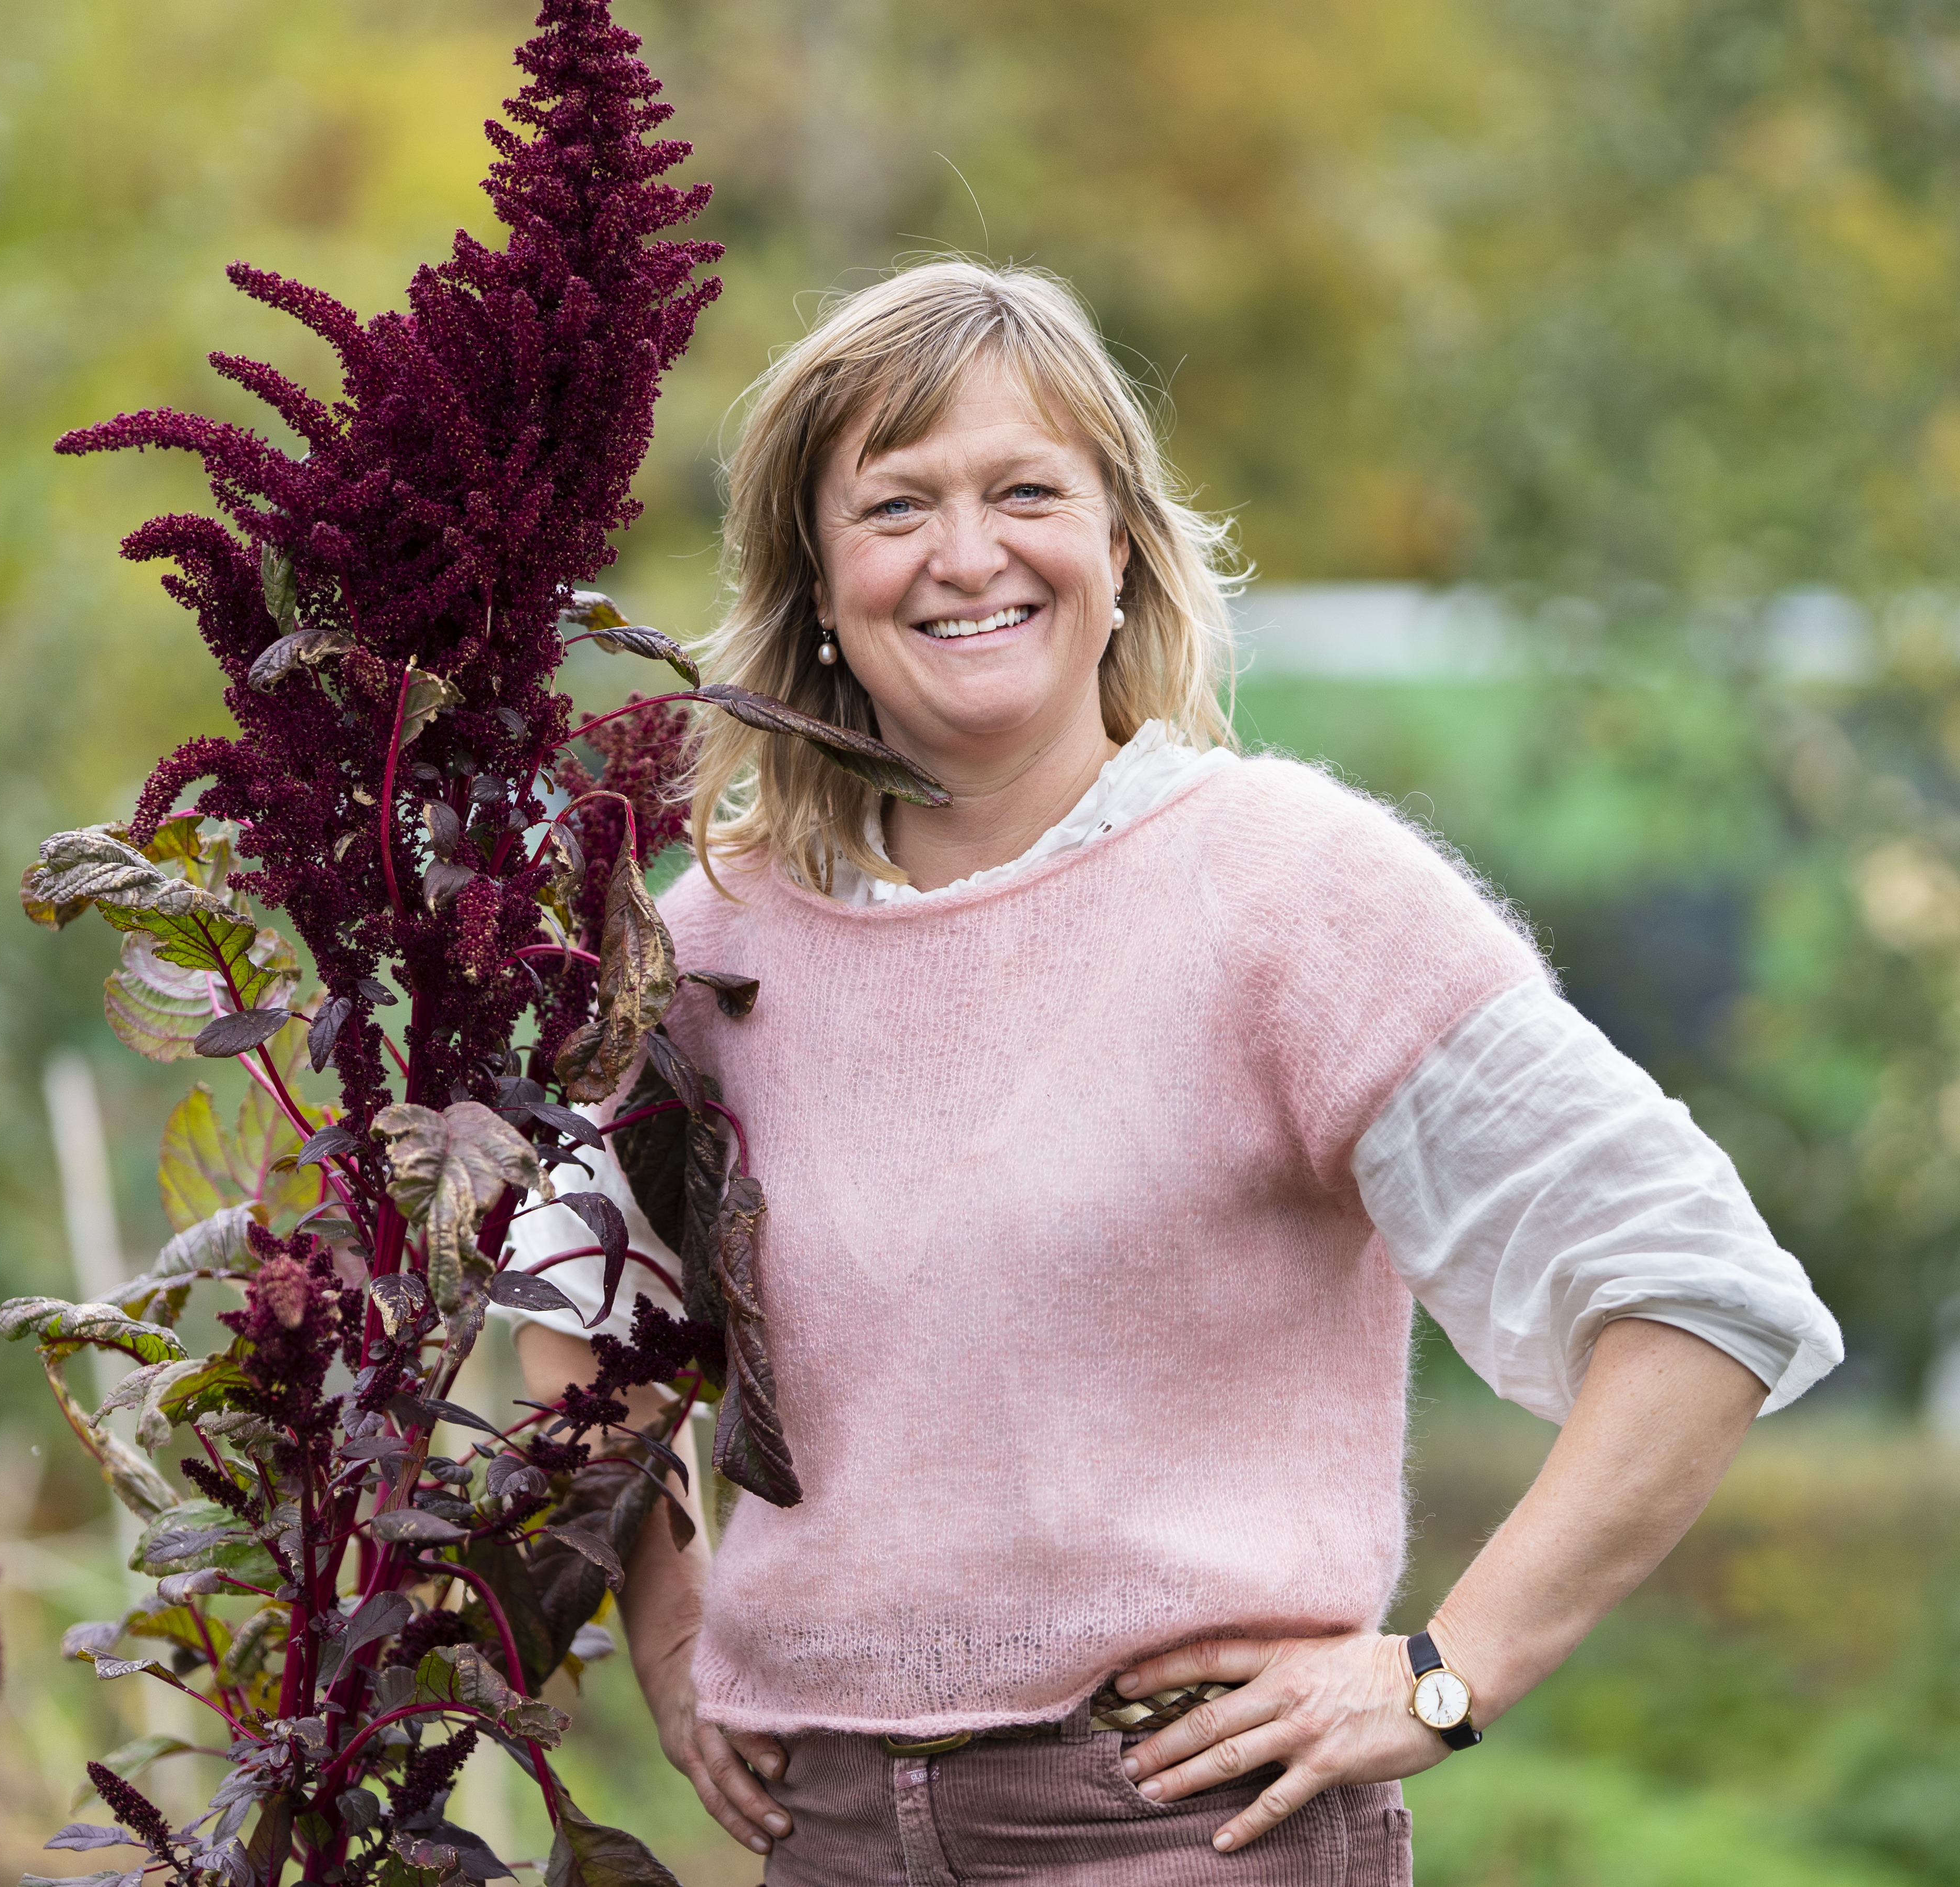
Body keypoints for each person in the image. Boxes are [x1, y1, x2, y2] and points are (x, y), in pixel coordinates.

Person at [502, 259, 1842, 1884]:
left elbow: (1699, 1293)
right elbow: (588, 1334)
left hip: (1185, 1829)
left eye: (1025, 492)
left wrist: (1444, 1671)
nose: (968, 554)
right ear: (816, 584)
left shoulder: (1290, 891)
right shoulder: (707, 940)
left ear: (1121, 549)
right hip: (829, 1837)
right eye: (896, 506)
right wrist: (672, 1633)